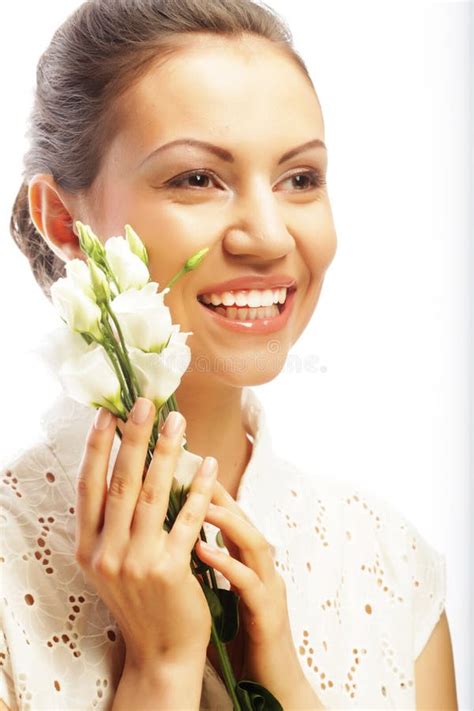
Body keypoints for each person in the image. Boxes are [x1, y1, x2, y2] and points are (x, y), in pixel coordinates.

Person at [1, 0, 458, 709]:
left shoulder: (388, 567)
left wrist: (286, 685)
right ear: (63, 219)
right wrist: (160, 670)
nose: (269, 236)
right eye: (197, 178)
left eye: (300, 178)